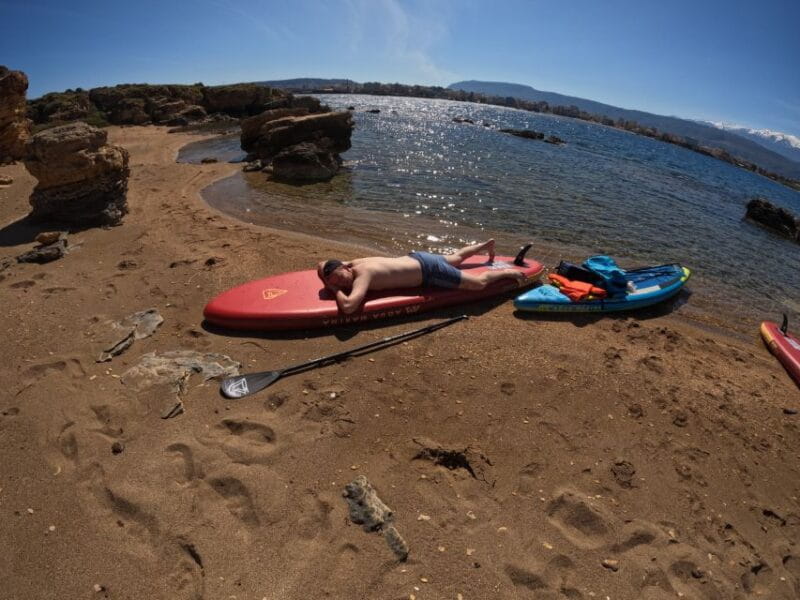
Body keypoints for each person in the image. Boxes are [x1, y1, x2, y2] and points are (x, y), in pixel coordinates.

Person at [317, 239, 527, 314]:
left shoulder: (363, 274)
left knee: (479, 284)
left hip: (429, 272)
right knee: (455, 258)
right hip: (418, 257)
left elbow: (348, 307)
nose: (343, 283)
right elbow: (321, 264)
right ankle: (485, 245)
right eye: (337, 282)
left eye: (341, 278)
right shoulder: (354, 262)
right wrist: (330, 278)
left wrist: (334, 290)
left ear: (344, 267)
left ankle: (507, 272)